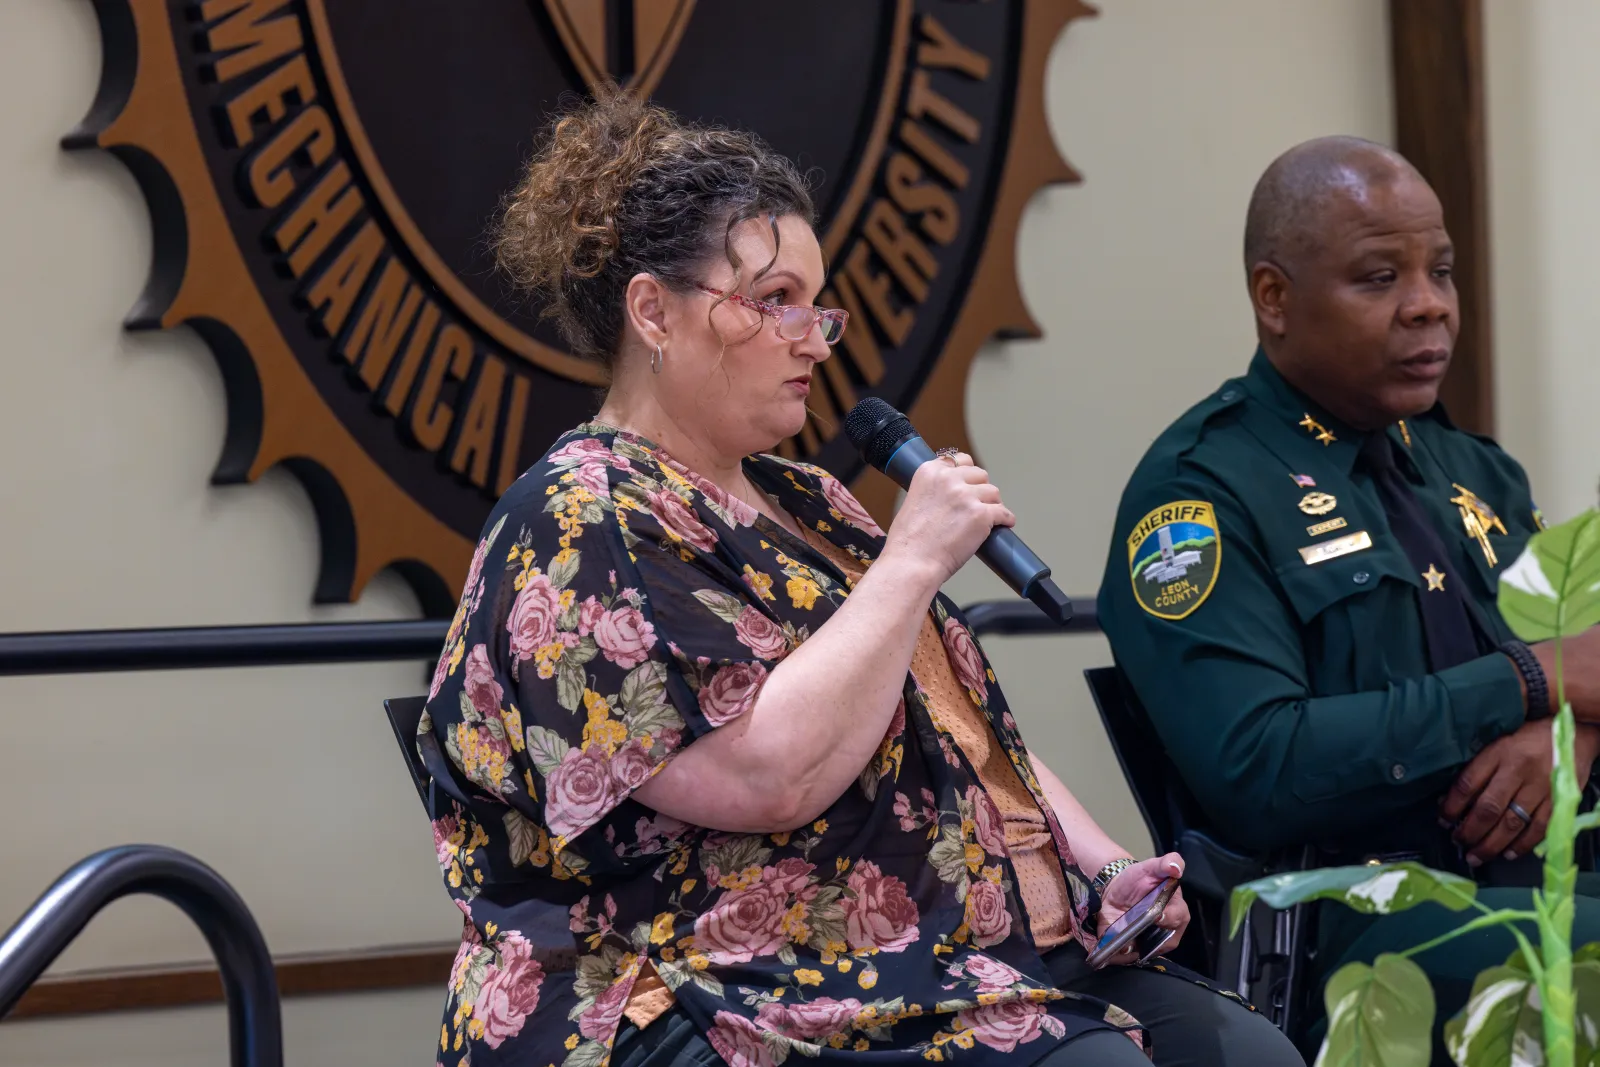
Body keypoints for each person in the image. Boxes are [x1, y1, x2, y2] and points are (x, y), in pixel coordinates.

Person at [416, 90, 1301, 1067]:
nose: (811, 335)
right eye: (774, 299)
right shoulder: (582, 518)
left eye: (814, 303)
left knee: (1245, 1052)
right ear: (653, 311)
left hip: (910, 951)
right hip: (684, 983)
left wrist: (1103, 861)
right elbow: (764, 774)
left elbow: (943, 712)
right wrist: (914, 559)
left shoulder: (809, 498)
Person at [1097, 135, 1600, 1053]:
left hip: (1545, 865)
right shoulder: (1199, 496)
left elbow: (1586, 661)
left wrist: (1571, 720)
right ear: (1274, 297)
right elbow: (1258, 767)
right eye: (1380, 278)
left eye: (1440, 270)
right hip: (1346, 913)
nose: (1429, 306)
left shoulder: (1469, 465)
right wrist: (1523, 684)